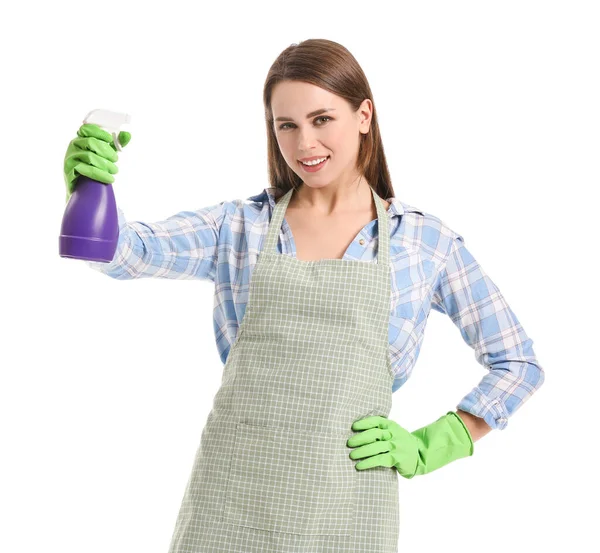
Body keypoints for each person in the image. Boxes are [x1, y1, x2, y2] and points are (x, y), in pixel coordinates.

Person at [63, 38, 545, 553]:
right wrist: (88, 191)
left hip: (349, 506)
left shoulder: (423, 243)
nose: (304, 144)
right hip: (230, 502)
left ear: (364, 115)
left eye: (321, 120)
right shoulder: (240, 226)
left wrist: (433, 444)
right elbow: (120, 253)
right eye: (286, 125)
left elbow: (518, 363)